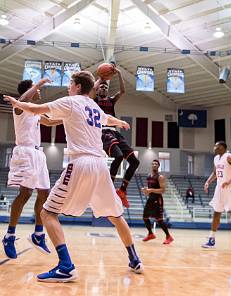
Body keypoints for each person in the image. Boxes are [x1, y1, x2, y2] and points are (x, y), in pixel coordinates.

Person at [4, 71, 144, 282]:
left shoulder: (70, 101)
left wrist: (17, 102)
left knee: (47, 213)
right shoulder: (95, 106)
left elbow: (36, 109)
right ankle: (134, 259)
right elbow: (108, 119)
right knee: (116, 215)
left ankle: (66, 266)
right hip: (100, 166)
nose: (69, 87)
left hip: (81, 163)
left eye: (70, 83)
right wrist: (121, 123)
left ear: (78, 86)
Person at [2, 78, 61, 259]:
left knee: (44, 194)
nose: (40, 92)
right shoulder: (18, 108)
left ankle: (38, 234)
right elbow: (22, 100)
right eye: (36, 90)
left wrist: (69, 118)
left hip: (38, 154)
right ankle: (10, 235)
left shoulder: (35, 112)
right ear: (29, 90)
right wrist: (38, 84)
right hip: (25, 152)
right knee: (25, 193)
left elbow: (50, 122)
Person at [94, 68, 140, 208]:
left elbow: (123, 92)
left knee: (135, 162)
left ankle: (122, 191)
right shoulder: (93, 100)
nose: (103, 87)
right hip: (102, 132)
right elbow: (91, 88)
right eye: (101, 86)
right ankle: (107, 187)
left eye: (106, 86)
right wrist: (101, 78)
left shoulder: (111, 100)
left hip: (115, 132)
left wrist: (119, 74)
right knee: (118, 156)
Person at [202, 141, 231, 250]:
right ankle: (211, 239)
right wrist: (208, 182)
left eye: (216, 146)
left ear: (222, 147)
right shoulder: (216, 159)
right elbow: (215, 173)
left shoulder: (228, 156)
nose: (214, 148)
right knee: (216, 213)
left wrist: (229, 180)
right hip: (220, 188)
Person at [141, 159, 174, 244]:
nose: (154, 165)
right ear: (151, 165)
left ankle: (168, 236)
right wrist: (145, 190)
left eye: (156, 164)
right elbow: (149, 190)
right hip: (150, 199)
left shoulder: (160, 177)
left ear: (158, 166)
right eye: (153, 164)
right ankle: (150, 234)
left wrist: (150, 190)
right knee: (145, 217)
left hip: (157, 200)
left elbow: (163, 190)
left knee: (159, 220)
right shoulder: (148, 176)